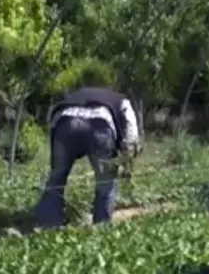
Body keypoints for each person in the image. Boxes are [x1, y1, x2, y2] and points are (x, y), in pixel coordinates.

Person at [35, 83, 141, 228]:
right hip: (99, 127)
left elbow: (54, 119)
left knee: (57, 177)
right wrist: (127, 158)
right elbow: (131, 132)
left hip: (65, 125)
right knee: (106, 182)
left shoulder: (75, 95)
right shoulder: (121, 100)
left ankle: (50, 224)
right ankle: (101, 226)